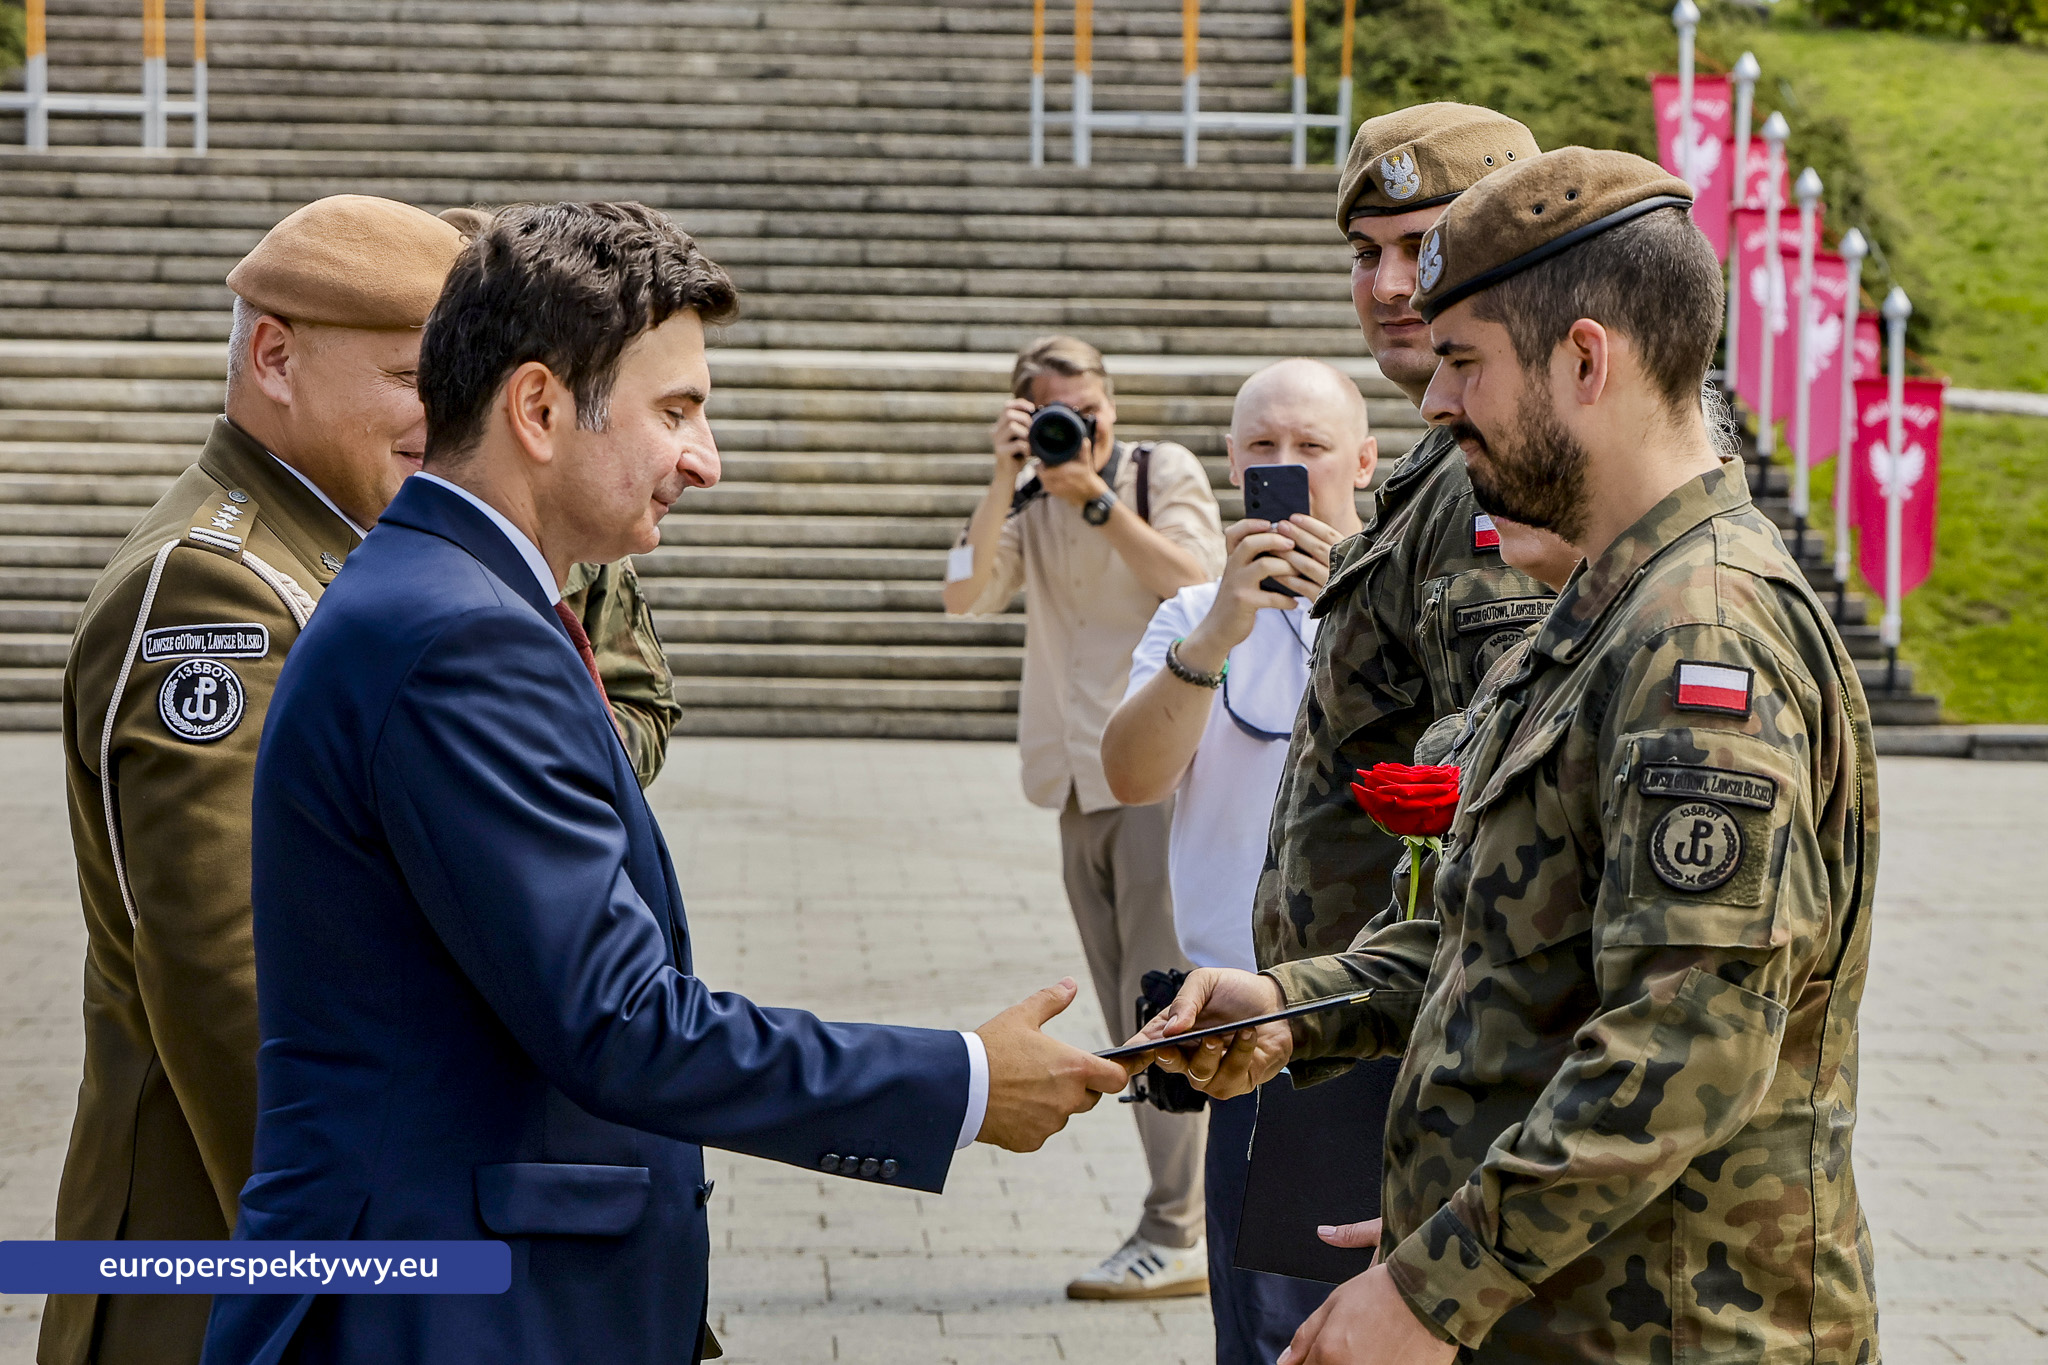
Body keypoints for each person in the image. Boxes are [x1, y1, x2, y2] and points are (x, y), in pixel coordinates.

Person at [200, 202, 1133, 1365]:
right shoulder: (460, 636)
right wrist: (961, 1083)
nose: (705, 458)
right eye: (676, 411)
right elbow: (621, 1024)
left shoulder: (454, 596)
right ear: (537, 408)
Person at [1136, 148, 1880, 1365]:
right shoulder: (1610, 607)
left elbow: (1682, 1039)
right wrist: (1293, 1004)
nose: (1430, 402)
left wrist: (1433, 1285)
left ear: (1586, 361)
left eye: (1465, 362)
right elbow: (1508, 931)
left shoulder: (1699, 639)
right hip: (1565, 1307)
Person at [39, 194, 674, 1365]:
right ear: (274, 357)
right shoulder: (216, 593)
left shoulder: (382, 557)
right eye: (408, 378)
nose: (446, 418)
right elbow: (230, 982)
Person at [1100, 357, 1374, 1362]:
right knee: (1267, 1329)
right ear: (1228, 464)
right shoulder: (1190, 619)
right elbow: (1131, 774)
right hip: (1259, 1023)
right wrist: (1221, 623)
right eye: (1262, 449)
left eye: (1309, 448)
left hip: (1392, 1012)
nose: (1285, 468)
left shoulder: (1409, 610)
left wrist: (1355, 595)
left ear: (1364, 459)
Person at [945, 335, 1227, 1299]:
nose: (1079, 427)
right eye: (1054, 411)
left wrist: (1096, 501)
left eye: (1089, 408)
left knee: (1161, 1007)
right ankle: (1179, 1214)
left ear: (1112, 402)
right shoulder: (1030, 491)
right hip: (1073, 783)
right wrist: (1004, 476)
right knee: (1124, 1010)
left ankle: (1178, 1227)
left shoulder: (1158, 473)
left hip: (1153, 776)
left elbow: (1201, 580)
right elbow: (964, 594)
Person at [1254, 104, 1556, 986]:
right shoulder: (1441, 462)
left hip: (1407, 1015)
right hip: (1355, 1001)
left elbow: (1489, 794)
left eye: (1421, 246)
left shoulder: (1488, 476)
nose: (1388, 286)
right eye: (1363, 253)